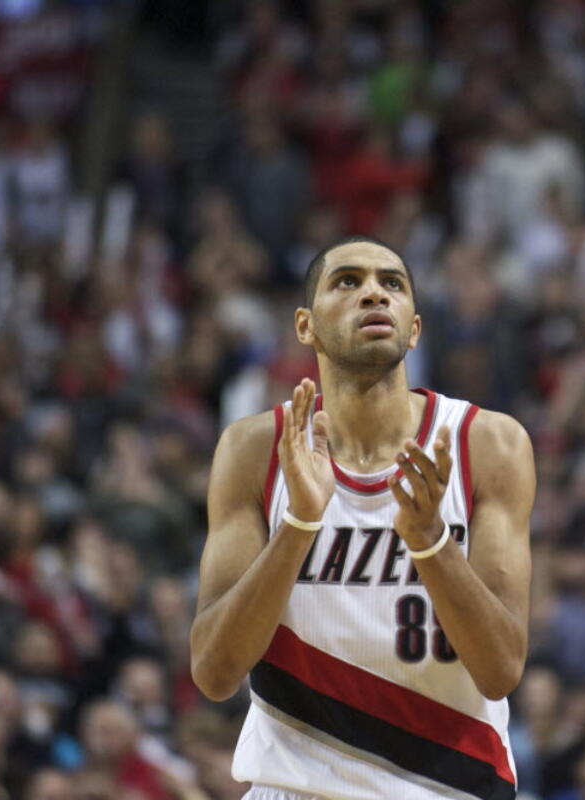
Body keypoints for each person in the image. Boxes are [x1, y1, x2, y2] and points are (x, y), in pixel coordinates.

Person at [190, 236, 535, 799]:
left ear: (414, 326)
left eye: (391, 283)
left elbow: (500, 669)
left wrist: (430, 542)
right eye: (347, 281)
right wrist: (299, 524)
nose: (373, 293)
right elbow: (213, 670)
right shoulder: (254, 448)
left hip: (443, 788)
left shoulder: (487, 443)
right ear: (305, 325)